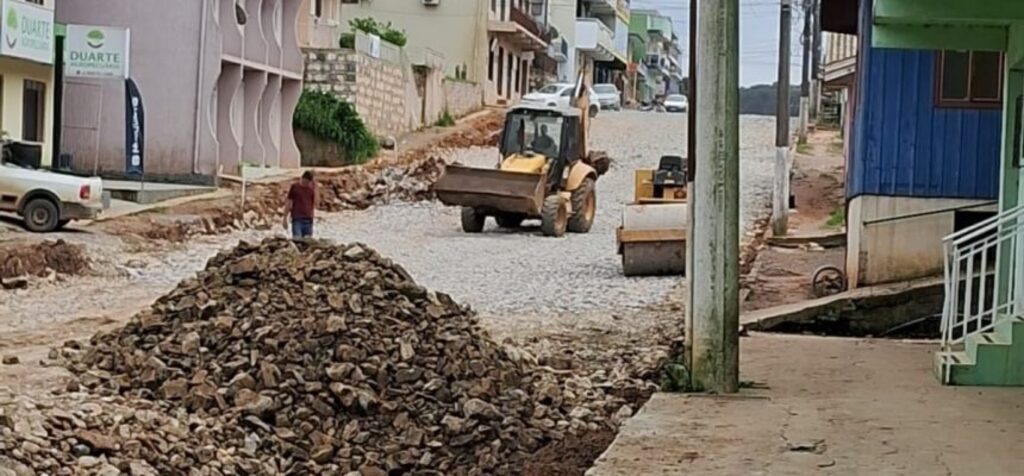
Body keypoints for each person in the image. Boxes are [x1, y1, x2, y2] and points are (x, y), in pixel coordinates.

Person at [284, 171, 317, 239]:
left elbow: (314, 204)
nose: (307, 184)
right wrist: (285, 218)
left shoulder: (311, 189)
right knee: (297, 240)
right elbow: (289, 202)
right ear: (303, 179)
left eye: (309, 182)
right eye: (307, 182)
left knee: (307, 243)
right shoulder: (295, 187)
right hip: (297, 219)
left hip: (308, 220)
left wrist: (312, 218)